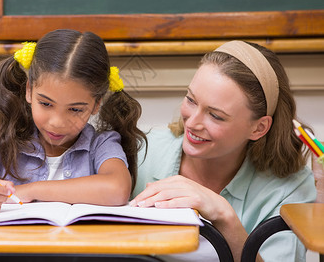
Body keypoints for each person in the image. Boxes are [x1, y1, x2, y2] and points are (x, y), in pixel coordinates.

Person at [0, 29, 146, 213]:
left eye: (75, 109)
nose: (57, 122)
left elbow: (117, 189)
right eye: (46, 104)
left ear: (96, 104)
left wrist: (30, 190)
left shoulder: (101, 145)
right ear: (29, 90)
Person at [130, 40, 317, 262]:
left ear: (258, 128)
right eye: (191, 100)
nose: (193, 123)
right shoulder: (141, 152)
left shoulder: (288, 187)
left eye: (215, 115)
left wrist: (225, 217)